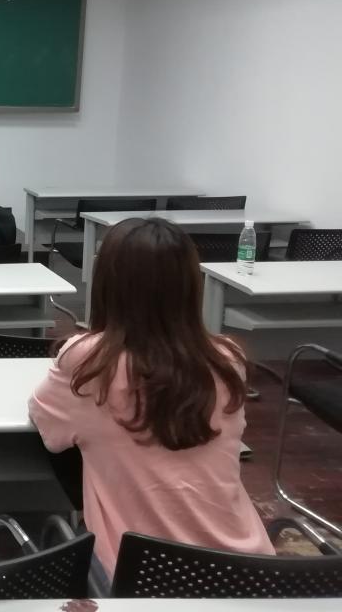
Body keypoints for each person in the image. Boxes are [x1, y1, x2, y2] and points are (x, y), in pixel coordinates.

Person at [29, 218, 273, 576]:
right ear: (191, 284)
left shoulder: (89, 360)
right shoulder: (227, 359)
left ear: (107, 283)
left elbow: (47, 425)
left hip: (140, 577)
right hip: (246, 572)